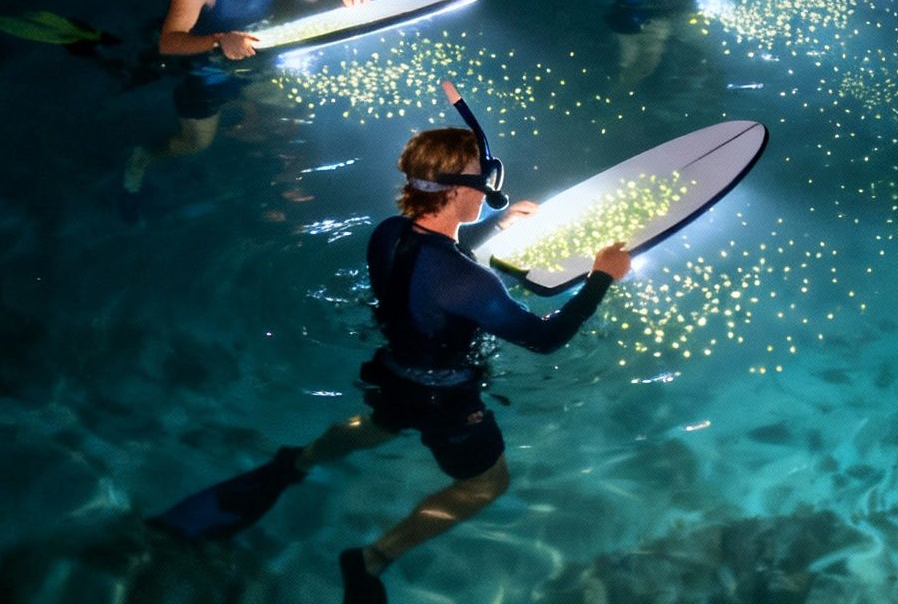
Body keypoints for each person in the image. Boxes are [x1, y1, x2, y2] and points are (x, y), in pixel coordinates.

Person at [149, 104, 633, 604]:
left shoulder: (388, 233)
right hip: (446, 402)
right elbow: (543, 339)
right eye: (482, 181)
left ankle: (295, 462)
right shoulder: (470, 281)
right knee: (484, 486)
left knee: (382, 422)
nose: (489, 188)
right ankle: (371, 559)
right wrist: (601, 277)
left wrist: (498, 227)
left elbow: (437, 267)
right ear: (458, 190)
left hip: (395, 372)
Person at [121, 0, 368, 211]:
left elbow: (319, 0)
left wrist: (347, 0)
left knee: (299, 110)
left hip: (257, 57)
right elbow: (171, 41)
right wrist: (220, 40)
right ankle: (144, 155)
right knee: (196, 144)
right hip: (206, 71)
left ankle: (251, 121)